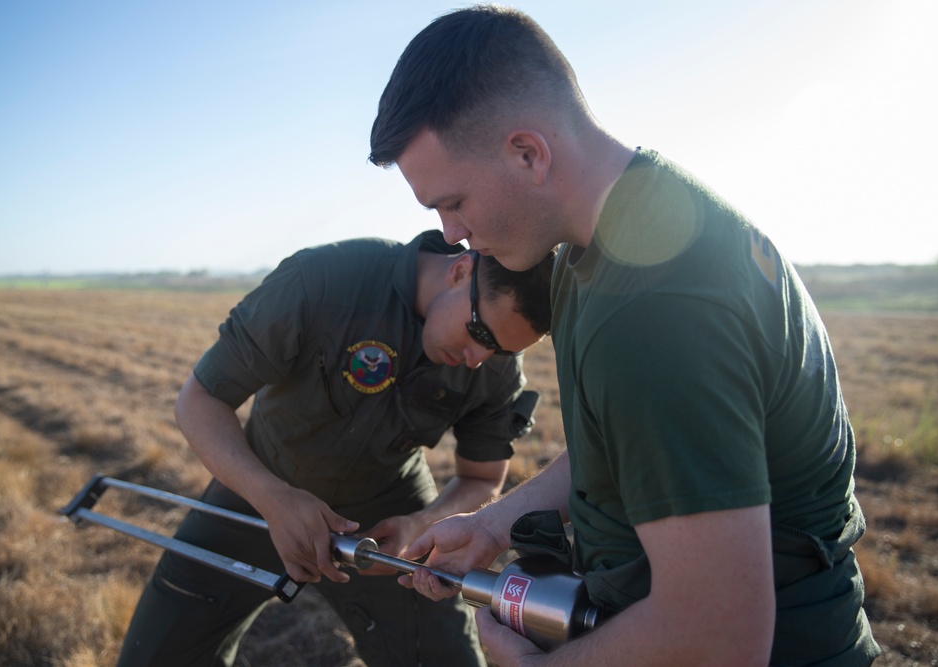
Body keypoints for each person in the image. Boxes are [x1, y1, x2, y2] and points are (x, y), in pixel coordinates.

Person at [368, 6, 880, 666]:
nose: (450, 234)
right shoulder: (612, 240)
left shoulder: (655, 308)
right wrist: (492, 523)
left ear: (528, 152)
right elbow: (636, 440)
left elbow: (719, 635)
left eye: (453, 200)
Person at [115, 230, 555, 667]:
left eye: (498, 348)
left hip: (385, 514)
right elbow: (199, 400)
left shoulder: (495, 369)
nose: (477, 358)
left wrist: (421, 522)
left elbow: (482, 477)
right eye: (479, 331)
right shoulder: (324, 280)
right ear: (460, 271)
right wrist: (273, 499)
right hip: (258, 484)